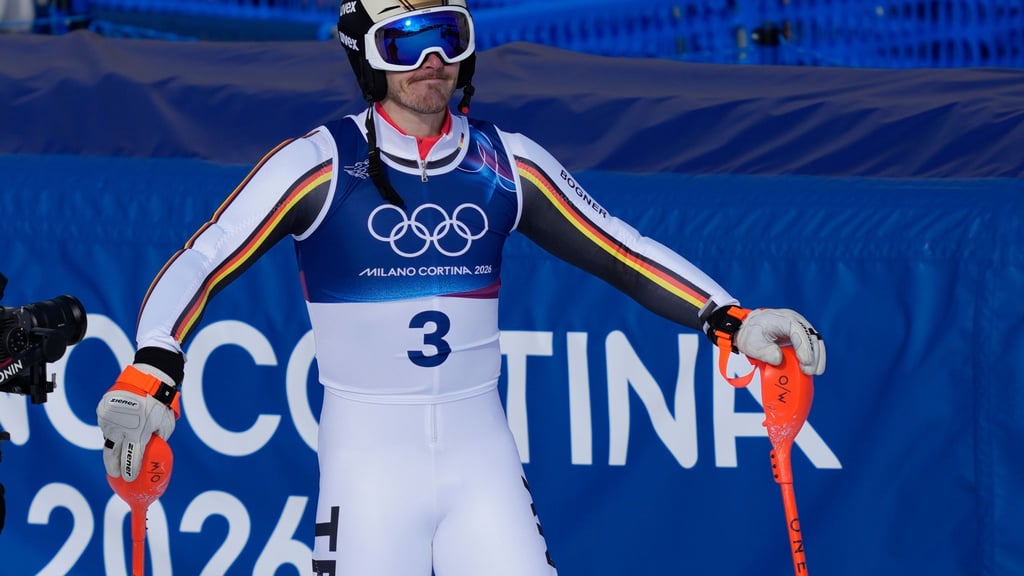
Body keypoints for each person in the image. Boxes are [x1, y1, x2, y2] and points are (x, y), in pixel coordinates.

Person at [96, 1, 827, 575]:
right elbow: (204, 256)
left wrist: (730, 318)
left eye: (447, 36)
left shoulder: (505, 162)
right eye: (405, 41)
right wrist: (152, 367)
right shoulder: (319, 161)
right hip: (369, 461)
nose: (432, 60)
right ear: (369, 57)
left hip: (483, 457)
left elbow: (621, 249)